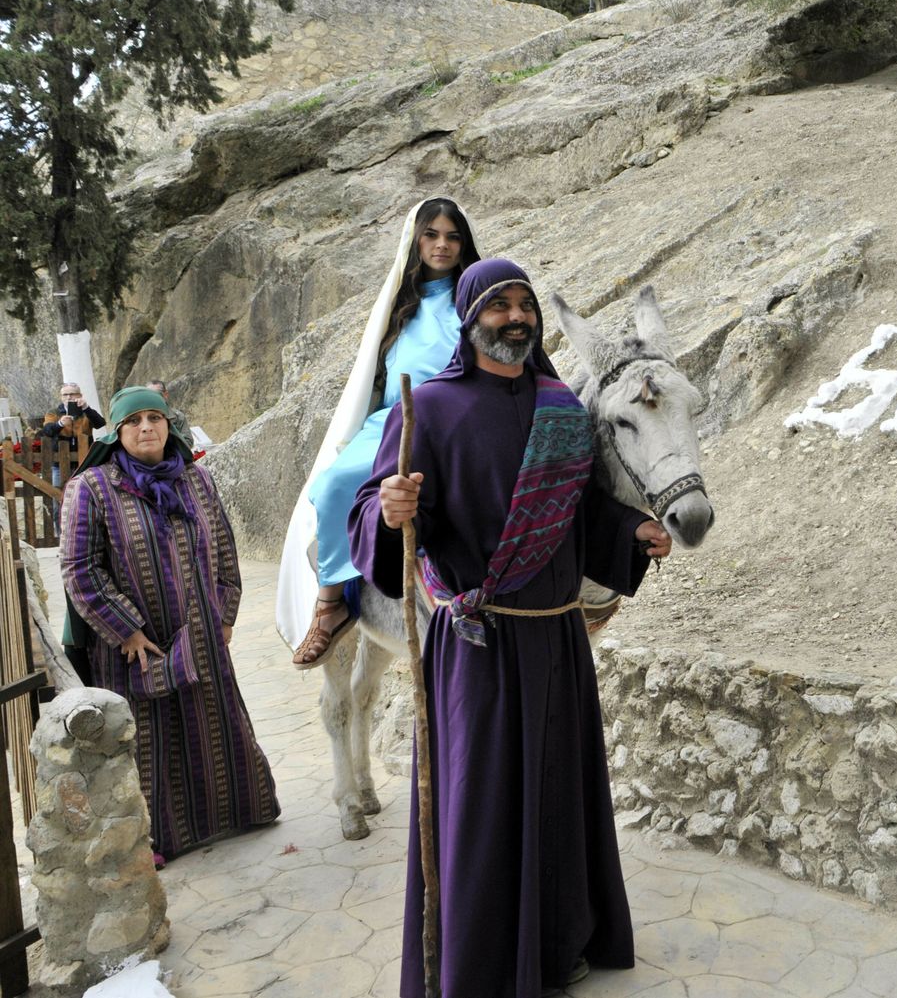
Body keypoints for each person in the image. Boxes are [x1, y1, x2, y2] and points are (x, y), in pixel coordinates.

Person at [349, 257, 673, 998]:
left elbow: (581, 511)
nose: (516, 316)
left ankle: (558, 945)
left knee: (560, 795)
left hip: (557, 637)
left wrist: (630, 532)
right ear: (470, 320)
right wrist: (388, 510)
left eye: (525, 304)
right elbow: (372, 508)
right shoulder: (429, 408)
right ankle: (485, 962)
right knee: (482, 804)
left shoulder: (561, 407)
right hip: (479, 646)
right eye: (499, 305)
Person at [59, 386, 280, 864]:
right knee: (148, 739)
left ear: (168, 425)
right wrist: (127, 629)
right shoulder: (92, 487)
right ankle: (152, 838)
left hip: (200, 632)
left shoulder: (195, 479)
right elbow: (79, 568)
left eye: (154, 418)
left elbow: (223, 547)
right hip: (136, 645)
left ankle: (238, 812)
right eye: (133, 420)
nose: (146, 427)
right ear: (116, 432)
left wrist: (224, 615)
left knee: (214, 725)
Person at [277, 196, 481, 669]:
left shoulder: (473, 300)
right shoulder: (398, 306)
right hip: (392, 423)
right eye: (431, 235)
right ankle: (331, 603)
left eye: (452, 237)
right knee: (333, 485)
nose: (442, 245)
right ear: (415, 241)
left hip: (454, 424)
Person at [42, 382, 105, 527]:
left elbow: (100, 423)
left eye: (72, 394)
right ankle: (60, 531)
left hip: (85, 461)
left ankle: (86, 527)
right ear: (61, 397)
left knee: (86, 495)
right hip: (59, 463)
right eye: (65, 394)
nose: (69, 397)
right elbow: (46, 431)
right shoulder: (54, 412)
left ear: (80, 395)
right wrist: (59, 424)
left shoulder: (86, 411)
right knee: (58, 497)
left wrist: (86, 408)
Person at [146, 380, 193, 447]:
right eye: (148, 395)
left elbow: (188, 441)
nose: (153, 398)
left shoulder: (177, 417)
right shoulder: (141, 417)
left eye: (157, 394)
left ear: (165, 395)